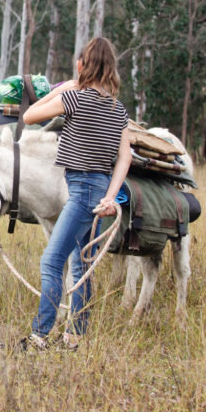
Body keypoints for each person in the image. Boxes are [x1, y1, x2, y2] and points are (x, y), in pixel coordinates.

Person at [19, 36, 131, 351]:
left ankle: (39, 337)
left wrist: (61, 89)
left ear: (84, 65)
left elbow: (29, 117)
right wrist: (111, 196)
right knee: (81, 266)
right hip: (98, 191)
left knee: (52, 263)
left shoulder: (74, 98)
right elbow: (125, 158)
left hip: (80, 191)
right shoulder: (118, 109)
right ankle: (74, 337)